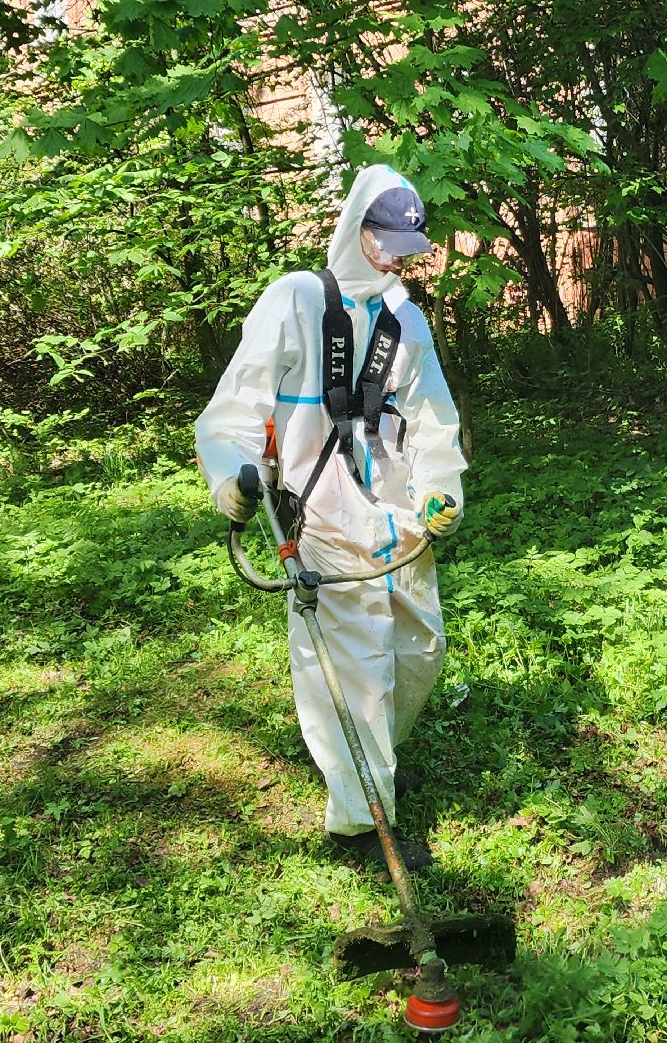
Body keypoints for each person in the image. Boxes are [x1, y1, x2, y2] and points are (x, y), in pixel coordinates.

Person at [195, 165, 465, 869]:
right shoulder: (295, 300)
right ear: (354, 228)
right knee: (351, 669)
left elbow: (435, 421)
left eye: (406, 243)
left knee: (418, 653)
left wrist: (442, 491)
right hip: (321, 513)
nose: (395, 254)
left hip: (398, 515)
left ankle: (372, 763)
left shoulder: (406, 320)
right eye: (384, 239)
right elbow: (235, 410)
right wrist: (232, 478)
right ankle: (360, 824)